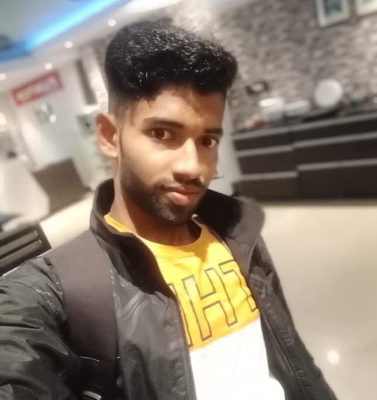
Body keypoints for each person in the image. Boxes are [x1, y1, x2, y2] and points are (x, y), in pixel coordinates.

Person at [0, 20, 337, 400]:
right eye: (162, 134)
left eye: (207, 140)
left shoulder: (239, 235)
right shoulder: (54, 290)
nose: (193, 167)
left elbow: (295, 359)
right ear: (110, 136)